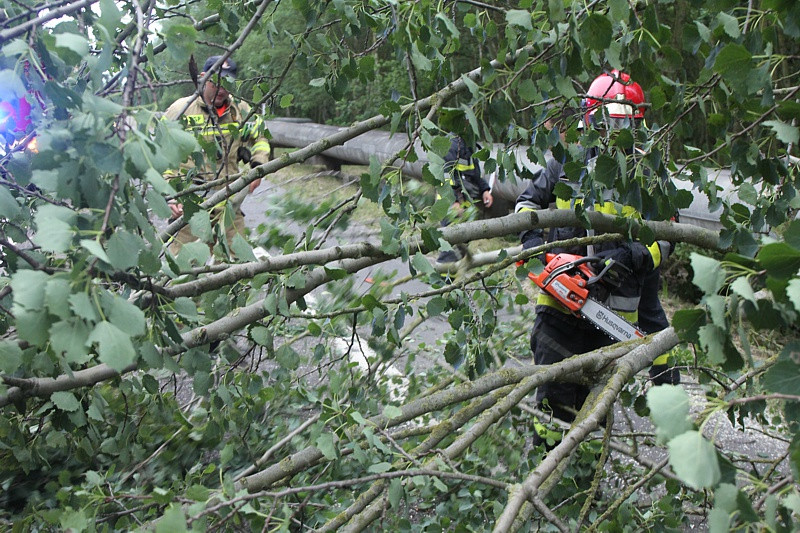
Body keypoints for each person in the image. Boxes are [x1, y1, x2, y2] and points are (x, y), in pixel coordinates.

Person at [515, 71, 674, 448]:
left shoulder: (648, 174)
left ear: (636, 125)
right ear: (591, 120)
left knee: (593, 420)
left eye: (621, 124)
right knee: (552, 410)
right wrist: (536, 249)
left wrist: (634, 254)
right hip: (559, 310)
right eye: (606, 123)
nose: (612, 133)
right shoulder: (564, 164)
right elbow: (526, 204)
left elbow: (669, 235)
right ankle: (546, 471)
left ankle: (585, 477)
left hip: (613, 319)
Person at [163, 55, 271, 255]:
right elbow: (160, 154)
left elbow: (261, 137)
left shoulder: (241, 110)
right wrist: (169, 196)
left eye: (228, 82)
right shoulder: (180, 110)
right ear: (203, 77)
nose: (222, 88)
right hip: (190, 208)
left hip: (229, 206)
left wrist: (258, 166)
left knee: (235, 266)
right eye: (216, 81)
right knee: (186, 268)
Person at [436, 133, 494, 263]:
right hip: (449, 205)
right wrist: (454, 202)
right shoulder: (451, 145)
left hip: (465, 205)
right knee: (451, 245)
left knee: (462, 244)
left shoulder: (469, 145)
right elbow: (445, 177)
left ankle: (457, 271)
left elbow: (475, 175)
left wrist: (485, 190)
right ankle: (443, 272)